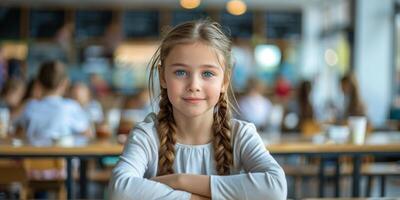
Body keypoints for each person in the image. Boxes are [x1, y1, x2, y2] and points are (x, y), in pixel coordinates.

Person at [109, 20, 287, 200]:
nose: (194, 85)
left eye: (207, 74)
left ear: (224, 81)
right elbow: (119, 190)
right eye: (180, 72)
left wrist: (180, 181)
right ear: (163, 77)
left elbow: (275, 189)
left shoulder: (241, 134)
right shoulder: (146, 136)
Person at [17, 60, 92, 146]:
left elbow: (19, 134)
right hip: (63, 157)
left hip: (33, 158)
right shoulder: (71, 107)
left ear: (38, 82)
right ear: (65, 83)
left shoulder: (29, 106)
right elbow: (87, 134)